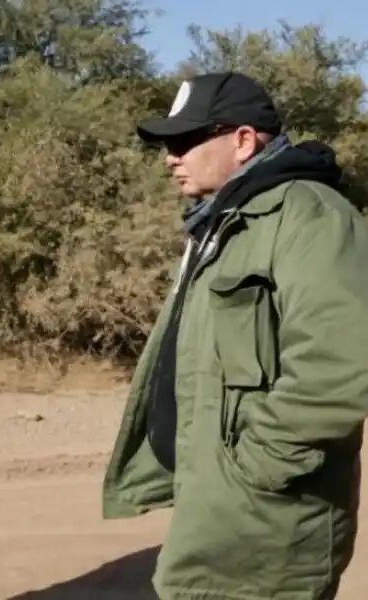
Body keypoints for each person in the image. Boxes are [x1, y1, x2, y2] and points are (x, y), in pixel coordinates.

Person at [101, 71, 368, 599]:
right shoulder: (225, 221)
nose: (170, 158)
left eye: (184, 141)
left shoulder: (310, 216)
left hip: (268, 520)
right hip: (221, 508)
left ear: (243, 140)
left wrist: (254, 467)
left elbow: (339, 367)